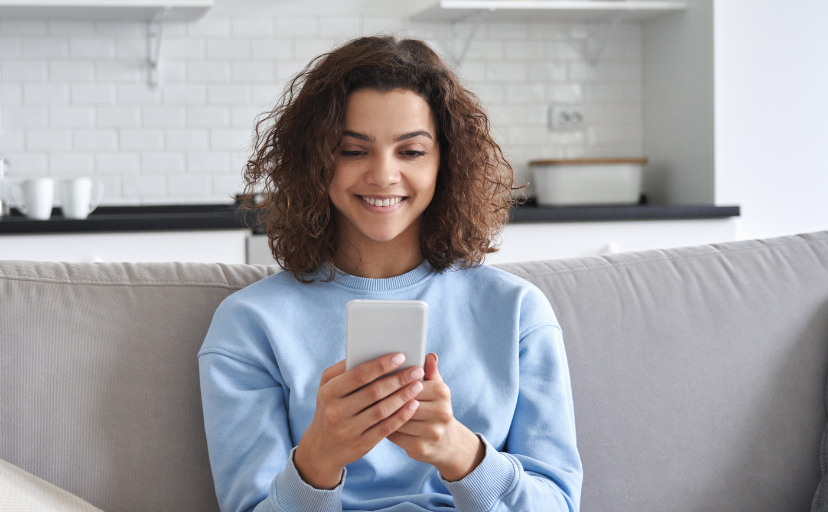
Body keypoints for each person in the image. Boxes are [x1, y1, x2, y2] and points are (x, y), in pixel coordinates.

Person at [198, 36, 582, 512]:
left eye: (411, 151)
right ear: (316, 161)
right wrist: (318, 462)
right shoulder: (249, 324)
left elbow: (559, 505)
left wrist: (461, 454)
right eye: (353, 151)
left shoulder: (519, 312)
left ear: (447, 161)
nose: (382, 175)